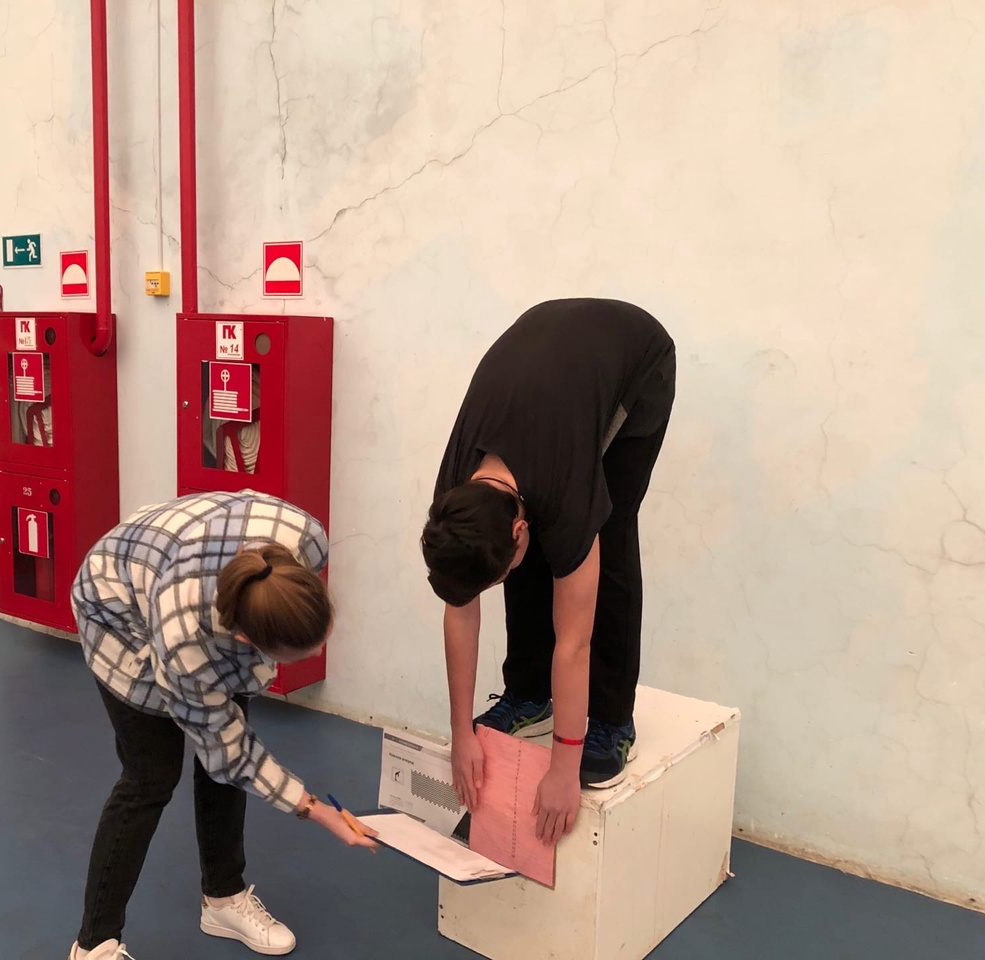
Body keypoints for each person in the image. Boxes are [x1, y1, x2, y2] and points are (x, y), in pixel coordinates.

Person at [68, 490, 377, 960]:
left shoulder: (305, 538)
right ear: (245, 639)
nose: (315, 655)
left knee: (224, 755)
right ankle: (95, 944)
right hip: (116, 605)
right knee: (151, 776)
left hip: (174, 555)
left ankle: (223, 898)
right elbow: (231, 750)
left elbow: (229, 749)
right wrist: (317, 811)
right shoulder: (185, 643)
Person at [421, 298, 675, 846]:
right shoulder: (456, 498)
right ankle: (529, 694)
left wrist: (565, 764)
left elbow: (574, 644)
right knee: (533, 547)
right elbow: (460, 611)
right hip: (549, 364)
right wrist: (459, 731)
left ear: (518, 529)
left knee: (606, 534)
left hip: (638, 360)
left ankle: (613, 721)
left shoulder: (565, 494)